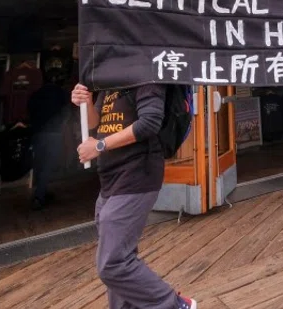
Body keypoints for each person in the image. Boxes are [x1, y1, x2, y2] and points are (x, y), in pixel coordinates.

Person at [72, 84, 197, 309]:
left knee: (113, 263)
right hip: (110, 178)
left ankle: (174, 305)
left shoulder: (145, 75)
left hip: (138, 174)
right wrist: (87, 102)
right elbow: (95, 122)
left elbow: (149, 123)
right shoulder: (112, 80)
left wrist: (99, 145)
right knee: (121, 257)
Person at [28, 63, 70, 210]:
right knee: (48, 166)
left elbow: (30, 111)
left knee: (40, 165)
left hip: (38, 133)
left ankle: (42, 192)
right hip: (54, 133)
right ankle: (39, 196)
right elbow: (67, 111)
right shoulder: (61, 93)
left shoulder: (36, 94)